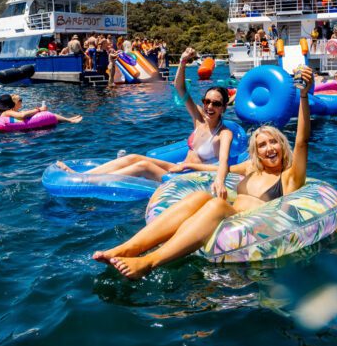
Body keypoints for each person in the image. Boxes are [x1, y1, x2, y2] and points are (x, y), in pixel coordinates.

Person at [97, 66, 314, 279]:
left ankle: (149, 262)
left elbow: (302, 141)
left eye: (273, 142)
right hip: (229, 216)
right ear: (256, 152)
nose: (269, 148)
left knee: (217, 204)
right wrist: (190, 167)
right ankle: (128, 248)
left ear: (282, 145)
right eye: (262, 145)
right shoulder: (251, 168)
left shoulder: (289, 177)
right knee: (199, 197)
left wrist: (303, 96)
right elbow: (221, 167)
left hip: (252, 226)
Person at [57, 47, 233, 188]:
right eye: (207, 101)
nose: (210, 106)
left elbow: (223, 163)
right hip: (179, 168)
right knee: (133, 157)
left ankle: (87, 183)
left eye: (216, 104)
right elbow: (180, 88)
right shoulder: (199, 119)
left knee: (143, 166)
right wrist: (183, 61)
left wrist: (209, 176)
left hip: (192, 179)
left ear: (224, 107)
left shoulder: (223, 134)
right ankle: (82, 175)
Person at [0, 94, 83, 123]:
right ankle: (70, 120)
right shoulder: (7, 112)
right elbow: (22, 115)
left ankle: (69, 119)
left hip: (11, 133)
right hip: (18, 134)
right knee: (48, 115)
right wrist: (39, 110)